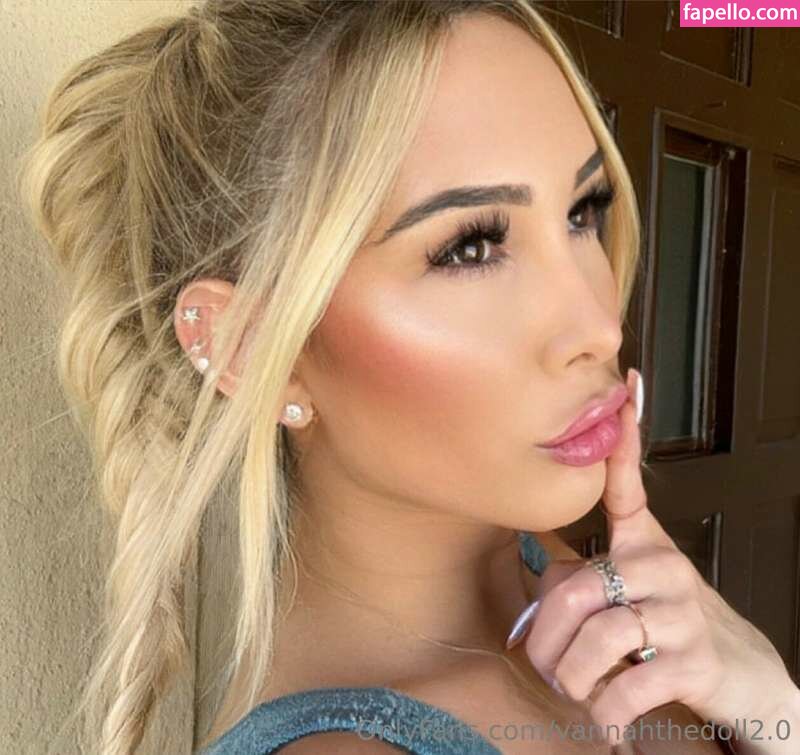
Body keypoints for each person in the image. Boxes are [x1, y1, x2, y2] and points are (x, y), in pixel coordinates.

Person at [16, 1, 799, 753]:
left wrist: (769, 701)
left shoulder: (582, 589)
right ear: (248, 349)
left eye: (583, 210)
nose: (599, 326)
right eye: (471, 248)